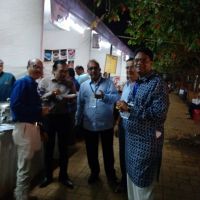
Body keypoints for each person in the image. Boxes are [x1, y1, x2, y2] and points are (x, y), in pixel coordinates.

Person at [117, 47, 169, 200]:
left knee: (143, 188)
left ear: (151, 62)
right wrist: (126, 107)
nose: (139, 63)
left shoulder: (157, 83)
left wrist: (131, 110)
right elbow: (134, 105)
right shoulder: (138, 82)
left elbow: (160, 115)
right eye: (137, 60)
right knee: (132, 184)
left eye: (143, 60)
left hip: (145, 145)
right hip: (131, 143)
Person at [10, 58, 49, 200]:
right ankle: (20, 197)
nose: (38, 69)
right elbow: (15, 106)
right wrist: (39, 111)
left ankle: (23, 194)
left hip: (31, 127)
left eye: (40, 67)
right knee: (24, 166)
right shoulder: (22, 82)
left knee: (27, 165)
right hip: (24, 127)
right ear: (28, 67)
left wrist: (41, 126)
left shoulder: (32, 84)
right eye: (35, 66)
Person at [76, 59, 120, 185]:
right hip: (89, 126)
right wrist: (77, 121)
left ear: (100, 69)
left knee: (108, 153)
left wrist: (104, 96)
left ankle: (111, 176)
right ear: (87, 71)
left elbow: (117, 98)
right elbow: (80, 105)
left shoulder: (108, 83)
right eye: (91, 68)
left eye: (95, 68)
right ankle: (94, 173)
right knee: (91, 152)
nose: (93, 70)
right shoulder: (84, 86)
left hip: (106, 125)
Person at [38, 60, 76, 189]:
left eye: (66, 71)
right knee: (48, 148)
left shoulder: (70, 83)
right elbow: (39, 98)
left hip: (64, 118)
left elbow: (74, 99)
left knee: (63, 149)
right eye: (61, 71)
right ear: (54, 70)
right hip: (48, 119)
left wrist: (70, 100)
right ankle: (48, 176)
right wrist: (51, 93)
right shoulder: (44, 81)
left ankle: (64, 177)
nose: (64, 73)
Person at [115, 58, 139, 193]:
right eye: (127, 67)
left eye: (132, 67)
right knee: (123, 154)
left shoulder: (140, 86)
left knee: (133, 156)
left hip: (135, 127)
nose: (129, 70)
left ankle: (132, 184)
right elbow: (121, 106)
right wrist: (118, 123)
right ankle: (124, 182)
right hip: (124, 124)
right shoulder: (126, 85)